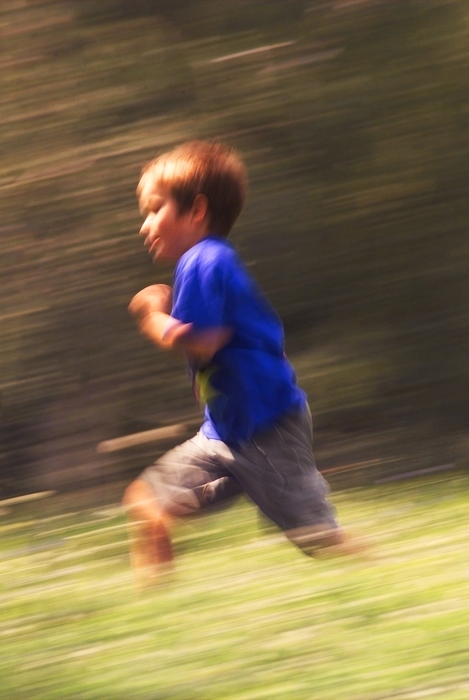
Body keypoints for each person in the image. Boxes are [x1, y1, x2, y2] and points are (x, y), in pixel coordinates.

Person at [123, 140, 354, 585]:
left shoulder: (205, 260)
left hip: (266, 429)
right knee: (146, 500)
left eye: (154, 210)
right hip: (225, 431)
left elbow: (205, 342)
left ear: (197, 211)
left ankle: (393, 577)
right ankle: (158, 620)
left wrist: (153, 315)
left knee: (316, 538)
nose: (145, 225)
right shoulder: (204, 263)